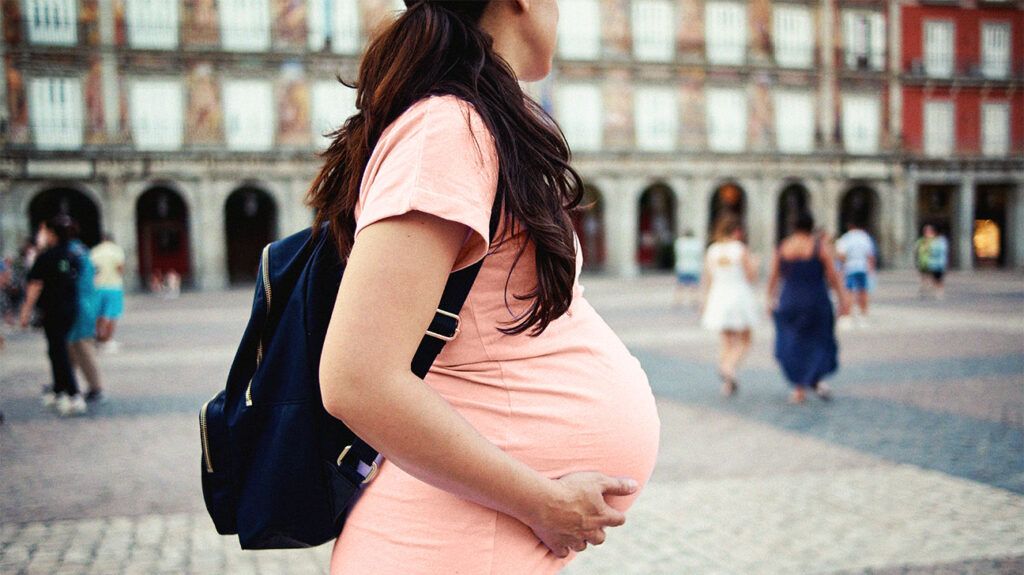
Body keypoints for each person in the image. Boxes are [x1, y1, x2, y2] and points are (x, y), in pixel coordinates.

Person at [307, 2, 660, 572]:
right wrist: (541, 500)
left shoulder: (471, 121)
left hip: (477, 536)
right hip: (453, 544)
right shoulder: (446, 129)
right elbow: (356, 379)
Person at [767, 211, 851, 404]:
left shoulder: (783, 247)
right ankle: (815, 380)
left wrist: (769, 299)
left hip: (790, 300)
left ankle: (799, 388)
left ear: (793, 226)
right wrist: (843, 299)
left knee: (793, 342)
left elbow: (773, 276)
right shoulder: (818, 246)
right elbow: (833, 275)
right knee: (819, 340)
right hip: (815, 299)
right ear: (811, 227)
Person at [19, 215, 87, 416]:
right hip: (69, 308)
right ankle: (59, 388)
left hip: (52, 309)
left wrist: (25, 312)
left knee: (58, 351)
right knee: (58, 349)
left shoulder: (46, 256)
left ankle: (73, 393)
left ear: (51, 234)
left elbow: (35, 285)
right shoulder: (72, 254)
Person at [700, 217, 759, 396]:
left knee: (726, 341)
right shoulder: (740, 249)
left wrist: (704, 301)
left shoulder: (712, 251)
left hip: (719, 296)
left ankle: (727, 384)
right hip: (738, 296)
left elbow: (707, 279)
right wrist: (756, 264)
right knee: (746, 338)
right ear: (736, 231)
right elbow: (750, 277)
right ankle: (729, 368)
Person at [68, 231, 105, 402]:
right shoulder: (82, 251)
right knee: (73, 347)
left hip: (78, 305)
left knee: (82, 346)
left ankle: (95, 387)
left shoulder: (71, 253)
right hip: (87, 304)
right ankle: (66, 381)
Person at [835, 222, 876, 327]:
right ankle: (863, 315)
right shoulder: (865, 237)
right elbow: (870, 255)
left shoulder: (846, 238)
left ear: (850, 227)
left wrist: (842, 266)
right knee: (863, 291)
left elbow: (841, 254)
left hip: (850, 267)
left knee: (849, 291)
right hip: (863, 267)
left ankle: (847, 316)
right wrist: (871, 269)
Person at [90, 234, 126, 352]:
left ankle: (99, 337)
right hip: (113, 286)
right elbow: (120, 268)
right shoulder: (116, 251)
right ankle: (107, 339)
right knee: (112, 315)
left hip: (97, 286)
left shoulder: (94, 251)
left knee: (99, 314)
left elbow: (92, 269)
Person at [673, 229, 703, 308]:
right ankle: (694, 300)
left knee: (680, 286)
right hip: (694, 267)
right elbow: (699, 254)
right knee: (694, 286)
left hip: (682, 266)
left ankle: (678, 301)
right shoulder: (696, 243)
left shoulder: (680, 243)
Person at [926, 226, 949, 300]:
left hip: (939, 263)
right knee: (934, 278)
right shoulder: (931, 241)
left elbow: (942, 251)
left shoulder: (940, 242)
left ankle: (939, 292)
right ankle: (937, 292)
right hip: (934, 263)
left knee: (939, 279)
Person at [914, 225, 933, 297]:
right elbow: (916, 249)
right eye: (926, 231)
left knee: (931, 276)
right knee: (924, 276)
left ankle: (929, 288)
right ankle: (924, 288)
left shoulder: (934, 240)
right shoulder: (921, 240)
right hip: (922, 261)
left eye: (928, 231)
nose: (927, 233)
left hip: (932, 261)